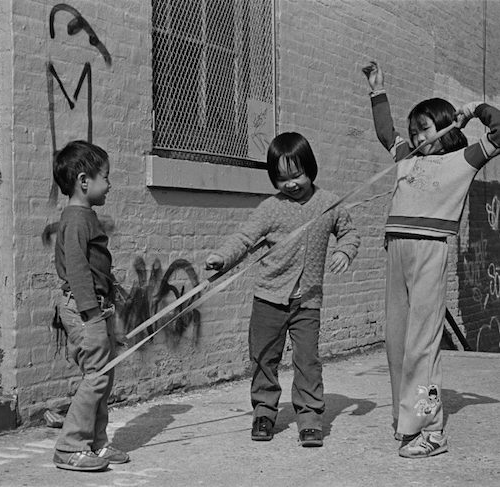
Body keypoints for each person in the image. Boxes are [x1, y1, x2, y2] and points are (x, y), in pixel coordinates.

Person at [362, 61, 500, 458]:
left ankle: (432, 429)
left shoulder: (464, 160)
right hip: (397, 249)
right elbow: (386, 132)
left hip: (429, 251)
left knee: (423, 345)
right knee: (397, 343)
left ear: (446, 129)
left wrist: (473, 109)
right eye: (414, 130)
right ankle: (407, 422)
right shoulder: (407, 156)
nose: (416, 136)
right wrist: (378, 89)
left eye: (425, 128)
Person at [205, 132, 360, 447]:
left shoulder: (330, 203)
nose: (291, 184)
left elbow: (349, 232)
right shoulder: (269, 208)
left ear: (310, 167)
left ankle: (310, 419)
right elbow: (244, 238)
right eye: (282, 178)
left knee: (307, 360)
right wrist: (222, 257)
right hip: (269, 299)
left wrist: (345, 251)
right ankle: (264, 412)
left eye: (297, 175)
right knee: (264, 358)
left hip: (308, 301)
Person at [51, 140, 129, 471]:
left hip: (94, 305)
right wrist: (92, 312)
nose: (109, 185)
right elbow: (78, 269)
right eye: (105, 177)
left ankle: (96, 443)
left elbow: (94, 266)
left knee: (102, 375)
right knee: (96, 375)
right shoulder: (77, 219)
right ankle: (70, 446)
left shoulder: (84, 216)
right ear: (85, 181)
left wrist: (110, 291)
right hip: (85, 310)